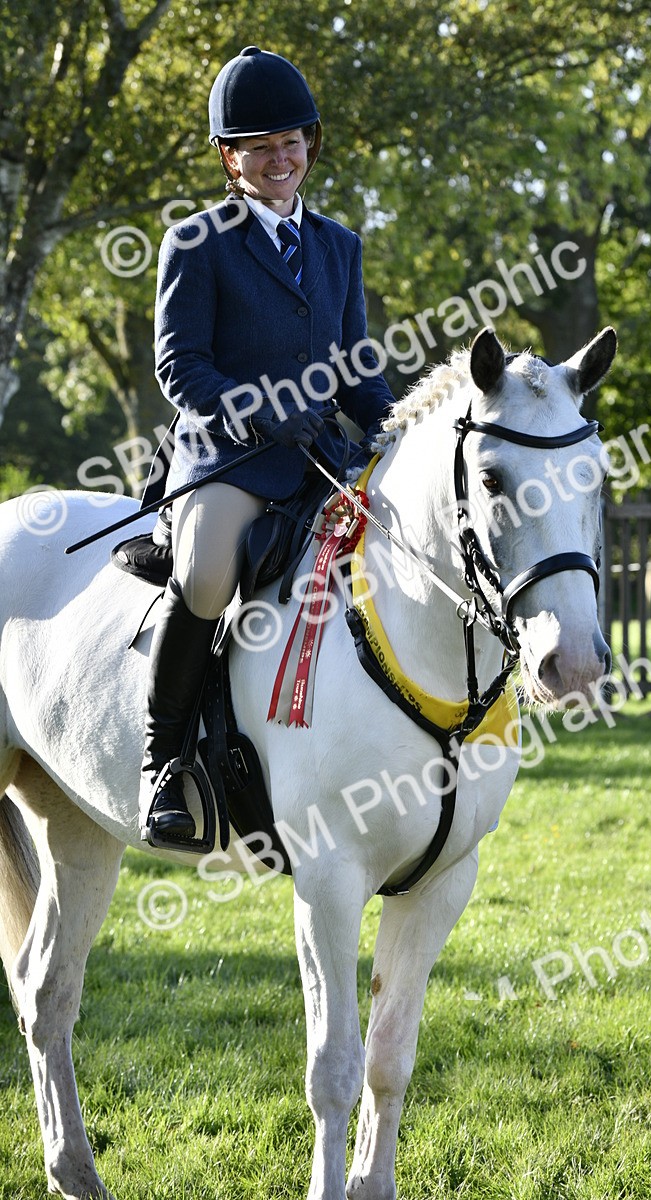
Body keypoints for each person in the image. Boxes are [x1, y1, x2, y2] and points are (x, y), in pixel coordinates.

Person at [139, 45, 394, 847]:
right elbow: (181, 366)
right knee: (208, 577)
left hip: (320, 460)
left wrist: (392, 432)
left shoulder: (338, 245)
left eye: (290, 142)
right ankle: (164, 764)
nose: (279, 159)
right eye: (258, 147)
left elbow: (356, 369)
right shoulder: (196, 242)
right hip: (232, 458)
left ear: (309, 145)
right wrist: (252, 412)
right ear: (229, 157)